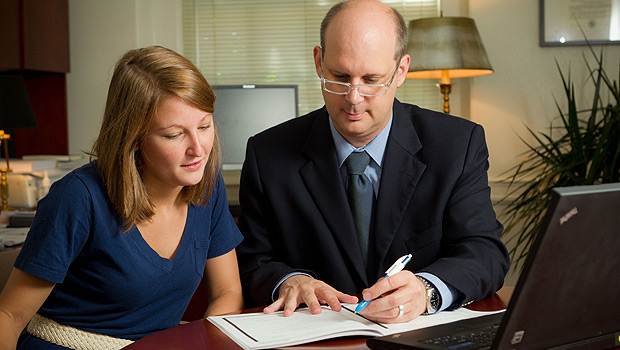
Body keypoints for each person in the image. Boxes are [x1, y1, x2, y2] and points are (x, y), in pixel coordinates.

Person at [236, 0, 509, 324]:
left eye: (372, 79)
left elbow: (484, 252)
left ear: (401, 70)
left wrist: (426, 290)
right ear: (319, 62)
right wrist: (289, 280)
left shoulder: (456, 145)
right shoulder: (267, 153)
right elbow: (253, 261)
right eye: (340, 76)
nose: (353, 97)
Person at [0, 45, 243, 349]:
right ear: (134, 137)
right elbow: (8, 315)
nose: (198, 149)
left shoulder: (207, 184)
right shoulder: (77, 197)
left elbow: (227, 293)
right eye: (174, 135)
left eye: (204, 126)